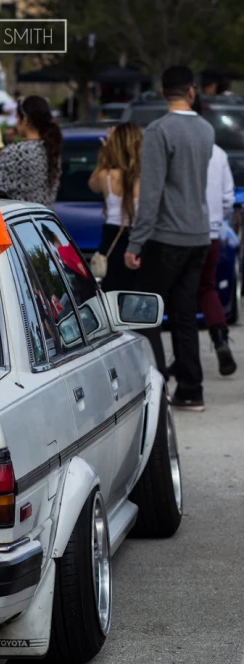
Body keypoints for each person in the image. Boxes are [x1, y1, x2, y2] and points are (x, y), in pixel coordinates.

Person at [125, 66, 215, 412]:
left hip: (167, 236)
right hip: (198, 235)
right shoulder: (207, 130)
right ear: (191, 91)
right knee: (184, 315)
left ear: (164, 93)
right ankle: (192, 389)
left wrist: (136, 244)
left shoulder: (159, 130)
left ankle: (155, 386)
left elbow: (151, 194)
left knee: (145, 313)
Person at [169, 144, 237, 377]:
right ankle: (220, 339)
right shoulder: (219, 152)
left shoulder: (177, 148)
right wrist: (217, 216)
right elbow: (228, 196)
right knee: (207, 288)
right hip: (213, 232)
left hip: (183, 233)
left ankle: (184, 359)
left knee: (181, 293)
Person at [88, 122, 142, 291]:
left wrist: (106, 154)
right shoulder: (146, 175)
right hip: (139, 238)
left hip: (112, 238)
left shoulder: (106, 174)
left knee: (112, 294)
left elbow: (92, 185)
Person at [0, 95, 62, 209]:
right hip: (44, 220)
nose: (16, 122)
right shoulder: (51, 149)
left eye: (17, 117)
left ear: (25, 120)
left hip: (17, 220)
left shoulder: (15, 152)